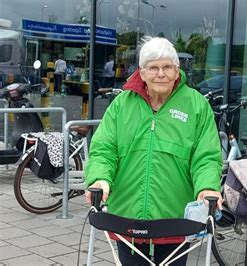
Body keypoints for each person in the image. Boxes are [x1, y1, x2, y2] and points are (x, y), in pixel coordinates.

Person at [84, 37, 223, 265]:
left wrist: (207, 186)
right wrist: (99, 179)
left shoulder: (196, 105)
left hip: (175, 219)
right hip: (126, 218)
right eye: (153, 67)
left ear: (177, 71)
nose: (161, 74)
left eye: (167, 67)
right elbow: (103, 149)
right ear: (142, 72)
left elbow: (206, 157)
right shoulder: (122, 105)